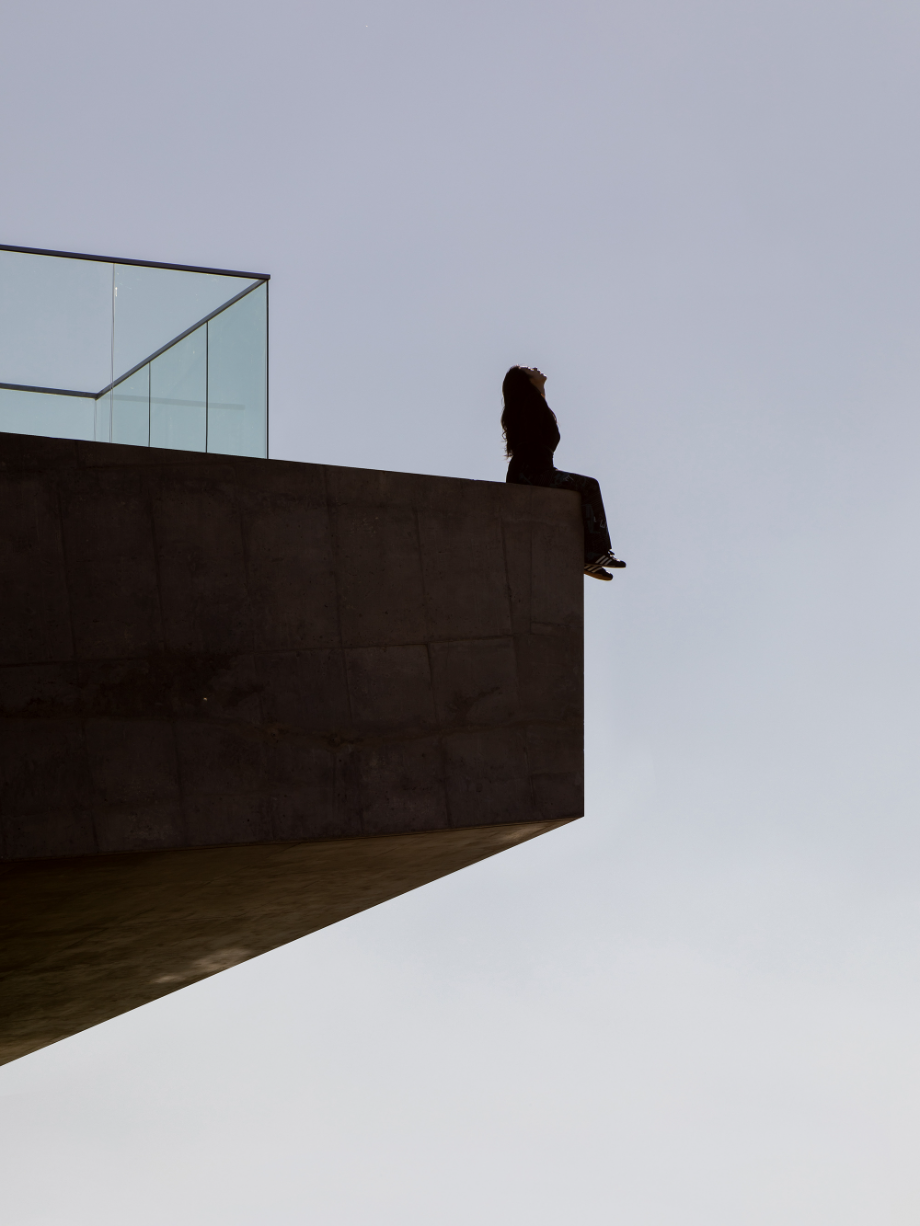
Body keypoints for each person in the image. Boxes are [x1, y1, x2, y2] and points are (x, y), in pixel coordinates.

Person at [501, 365, 626, 581]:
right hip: (530, 472)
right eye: (529, 368)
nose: (536, 368)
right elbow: (530, 442)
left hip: (535, 469)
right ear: (525, 379)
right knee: (588, 485)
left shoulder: (535, 402)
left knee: (583, 487)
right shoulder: (531, 401)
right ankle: (595, 553)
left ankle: (591, 556)